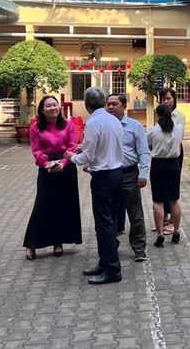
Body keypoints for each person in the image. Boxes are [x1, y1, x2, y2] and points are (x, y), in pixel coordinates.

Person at [66, 87, 124, 285]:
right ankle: (105, 262)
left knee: (104, 224)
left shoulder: (93, 122)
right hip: (116, 173)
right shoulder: (113, 120)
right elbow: (105, 147)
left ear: (86, 104)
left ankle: (112, 269)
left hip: (104, 177)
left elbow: (87, 157)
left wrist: (71, 157)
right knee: (109, 222)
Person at [22, 95, 82, 261]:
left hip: (66, 167)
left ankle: (58, 242)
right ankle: (31, 243)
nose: (52, 108)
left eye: (54, 105)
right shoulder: (36, 127)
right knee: (42, 206)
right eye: (48, 106)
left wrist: (63, 163)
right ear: (42, 109)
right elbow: (36, 150)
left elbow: (72, 146)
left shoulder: (68, 124)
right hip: (47, 168)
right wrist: (47, 164)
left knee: (63, 206)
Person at [105, 93, 150, 262]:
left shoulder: (135, 126)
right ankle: (111, 247)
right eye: (108, 104)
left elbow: (143, 151)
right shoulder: (103, 125)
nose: (110, 107)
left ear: (124, 106)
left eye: (114, 104)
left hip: (129, 174)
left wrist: (143, 173)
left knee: (135, 213)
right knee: (110, 213)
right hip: (109, 174)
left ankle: (139, 248)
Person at [147, 103, 184, 247]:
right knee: (175, 199)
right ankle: (176, 231)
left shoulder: (153, 130)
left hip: (158, 165)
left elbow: (147, 145)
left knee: (158, 201)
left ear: (157, 116)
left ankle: (160, 234)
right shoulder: (179, 129)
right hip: (174, 165)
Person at [154, 87, 185, 235]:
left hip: (174, 153)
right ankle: (163, 218)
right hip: (161, 155)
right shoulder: (159, 113)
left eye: (169, 98)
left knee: (173, 191)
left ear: (174, 99)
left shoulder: (179, 116)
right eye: (163, 99)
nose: (166, 101)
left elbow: (179, 136)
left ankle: (173, 222)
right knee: (160, 192)